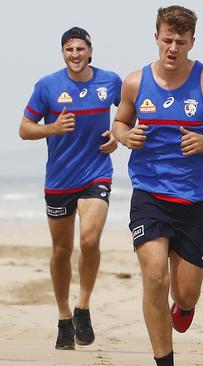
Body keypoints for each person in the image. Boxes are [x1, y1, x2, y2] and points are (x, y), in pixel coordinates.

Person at [111, 6, 203, 366]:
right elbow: (119, 123)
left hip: (194, 200)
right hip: (149, 195)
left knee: (185, 295)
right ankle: (164, 360)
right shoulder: (135, 82)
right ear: (156, 37)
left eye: (181, 42)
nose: (173, 48)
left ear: (192, 42)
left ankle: (182, 308)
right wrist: (128, 136)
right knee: (154, 275)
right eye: (167, 39)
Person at [19, 26, 121, 351]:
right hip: (60, 180)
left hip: (97, 174)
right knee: (61, 251)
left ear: (90, 51)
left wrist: (118, 136)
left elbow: (127, 114)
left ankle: (84, 306)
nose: (75, 54)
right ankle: (64, 317)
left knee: (89, 240)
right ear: (63, 53)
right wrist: (52, 127)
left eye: (80, 49)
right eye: (69, 49)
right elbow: (24, 129)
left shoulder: (110, 82)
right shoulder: (47, 86)